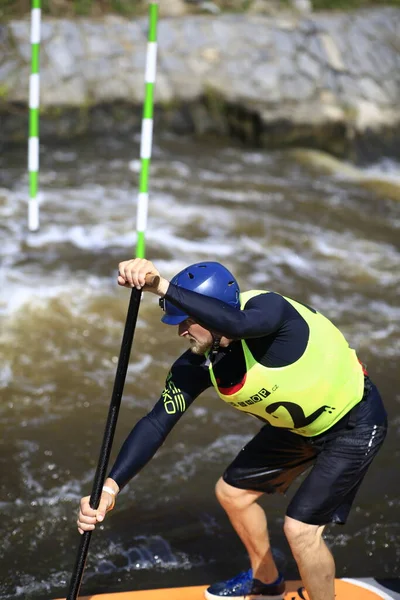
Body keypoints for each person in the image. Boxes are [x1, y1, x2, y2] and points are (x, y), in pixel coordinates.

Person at [77, 258, 387, 600]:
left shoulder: (271, 311)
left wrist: (160, 285)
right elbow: (156, 422)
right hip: (297, 430)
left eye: (189, 321)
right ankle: (266, 581)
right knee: (232, 494)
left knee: (300, 530)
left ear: (213, 312)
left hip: (353, 422)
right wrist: (110, 488)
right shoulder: (197, 363)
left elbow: (238, 324)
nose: (181, 332)